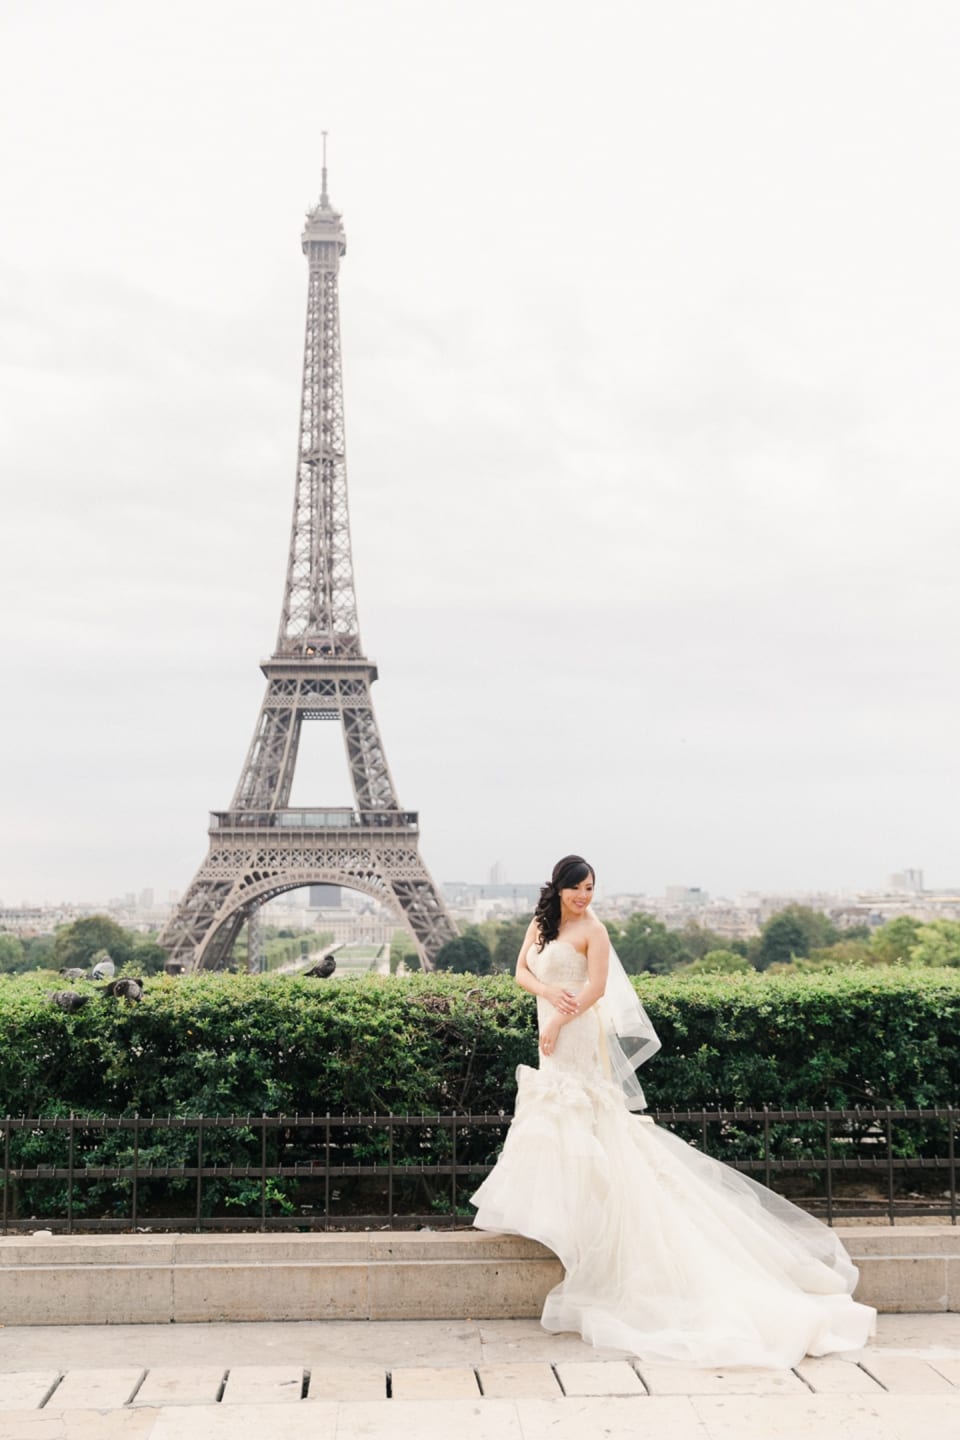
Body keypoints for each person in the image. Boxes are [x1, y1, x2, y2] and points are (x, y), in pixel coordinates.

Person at [471, 854, 876, 1368]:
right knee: (559, 1113)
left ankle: (582, 1213)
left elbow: (597, 989)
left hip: (574, 1029)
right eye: (577, 888)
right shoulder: (541, 923)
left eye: (591, 888)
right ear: (559, 888)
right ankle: (567, 1209)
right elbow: (520, 972)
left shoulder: (595, 930)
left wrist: (558, 1017)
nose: (584, 897)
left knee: (575, 1111)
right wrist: (549, 995)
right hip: (552, 1016)